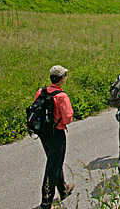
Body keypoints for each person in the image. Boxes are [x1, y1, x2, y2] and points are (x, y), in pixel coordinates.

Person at [35, 65, 74, 209]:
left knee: (54, 161)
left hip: (43, 132)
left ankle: (63, 190)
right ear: (62, 79)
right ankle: (46, 202)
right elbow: (67, 118)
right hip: (56, 133)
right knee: (52, 166)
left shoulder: (41, 91)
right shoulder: (61, 96)